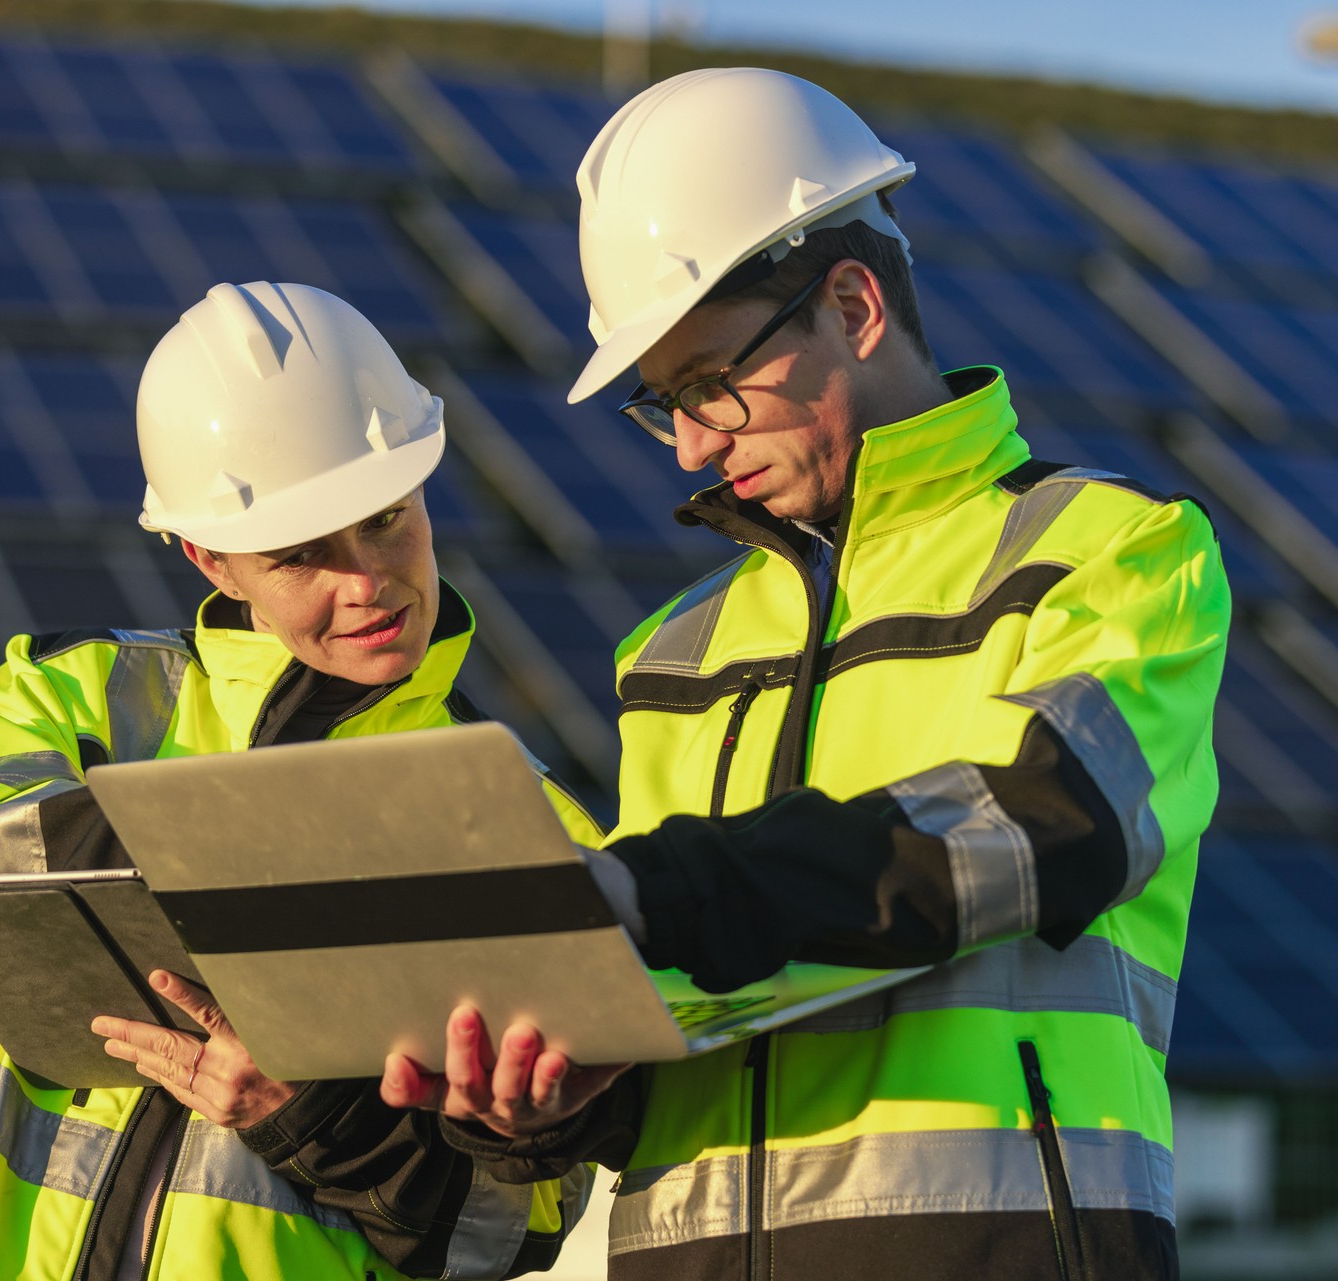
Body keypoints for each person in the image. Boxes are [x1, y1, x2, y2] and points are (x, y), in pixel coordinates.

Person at [383, 69, 1229, 1280]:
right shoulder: (671, 656)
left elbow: (1049, 819)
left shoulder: (1112, 554)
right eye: (660, 403)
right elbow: (678, 1009)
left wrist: (657, 895)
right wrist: (546, 1103)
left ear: (854, 305)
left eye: (709, 382)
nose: (687, 442)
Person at [0, 282, 599, 1281]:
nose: (366, 580)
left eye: (386, 520)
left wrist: (312, 1111)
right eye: (302, 557)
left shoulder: (529, 823)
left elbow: (520, 1228)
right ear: (212, 559)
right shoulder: (80, 694)